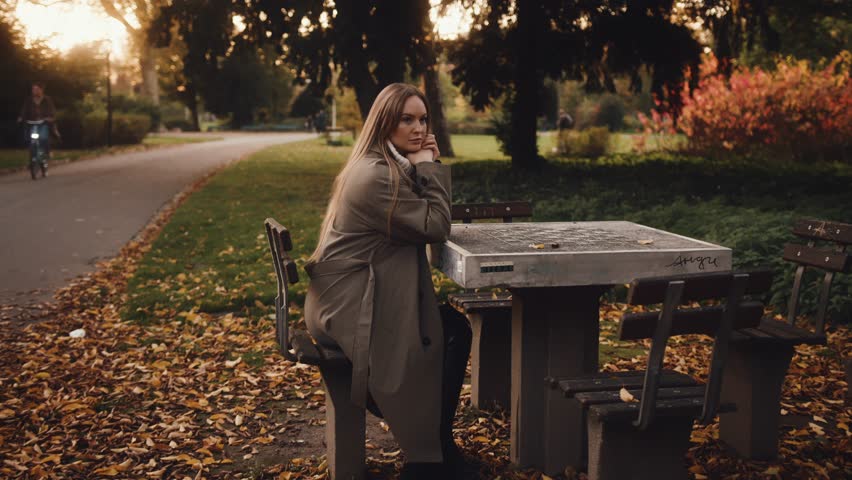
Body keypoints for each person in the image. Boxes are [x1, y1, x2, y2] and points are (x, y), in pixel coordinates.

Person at [304, 83, 472, 479]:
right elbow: (435, 224)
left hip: (353, 292)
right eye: (407, 119)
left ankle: (435, 447)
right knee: (450, 333)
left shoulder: (384, 164)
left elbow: (423, 216)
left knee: (452, 328)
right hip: (348, 305)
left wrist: (419, 165)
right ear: (385, 122)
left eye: (423, 119)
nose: (419, 129)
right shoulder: (378, 175)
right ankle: (429, 458)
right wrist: (429, 165)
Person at [18, 82, 57, 160]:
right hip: (32, 122)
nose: (34, 91)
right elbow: (24, 110)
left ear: (41, 90)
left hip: (43, 122)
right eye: (33, 89)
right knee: (30, 138)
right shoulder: (29, 100)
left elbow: (52, 110)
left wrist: (49, 118)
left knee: (43, 138)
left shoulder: (47, 100)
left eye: (36, 89)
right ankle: (33, 158)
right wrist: (21, 117)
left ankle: (47, 151)